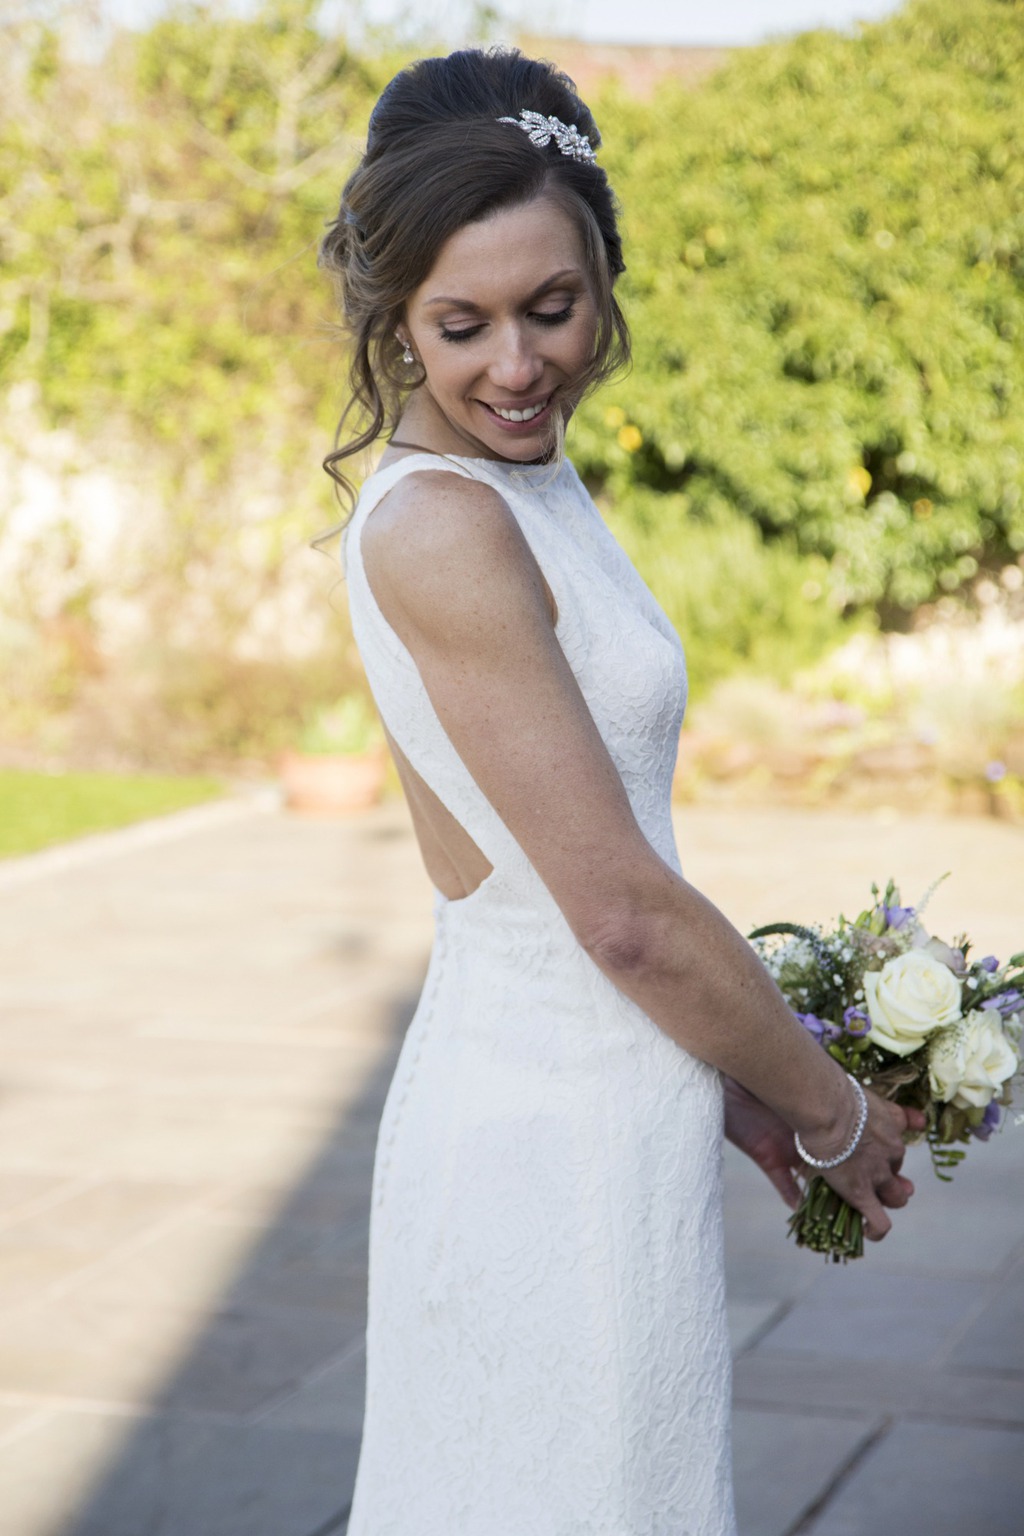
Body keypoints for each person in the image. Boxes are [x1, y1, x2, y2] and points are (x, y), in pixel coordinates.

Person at [318, 47, 924, 1535]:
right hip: (542, 1129)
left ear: (607, 281)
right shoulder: (441, 529)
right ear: (392, 315)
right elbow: (618, 915)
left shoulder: (530, 482)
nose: (517, 367)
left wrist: (724, 1070)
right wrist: (832, 1108)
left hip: (611, 1093)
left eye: (553, 309)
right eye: (462, 325)